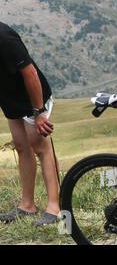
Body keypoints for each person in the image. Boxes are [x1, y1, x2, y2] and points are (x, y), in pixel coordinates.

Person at [0, 21, 60, 225]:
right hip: (10, 98)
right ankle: (27, 205)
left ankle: (55, 206)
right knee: (21, 147)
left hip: (32, 97)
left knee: (39, 146)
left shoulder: (4, 36)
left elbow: (30, 73)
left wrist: (39, 112)